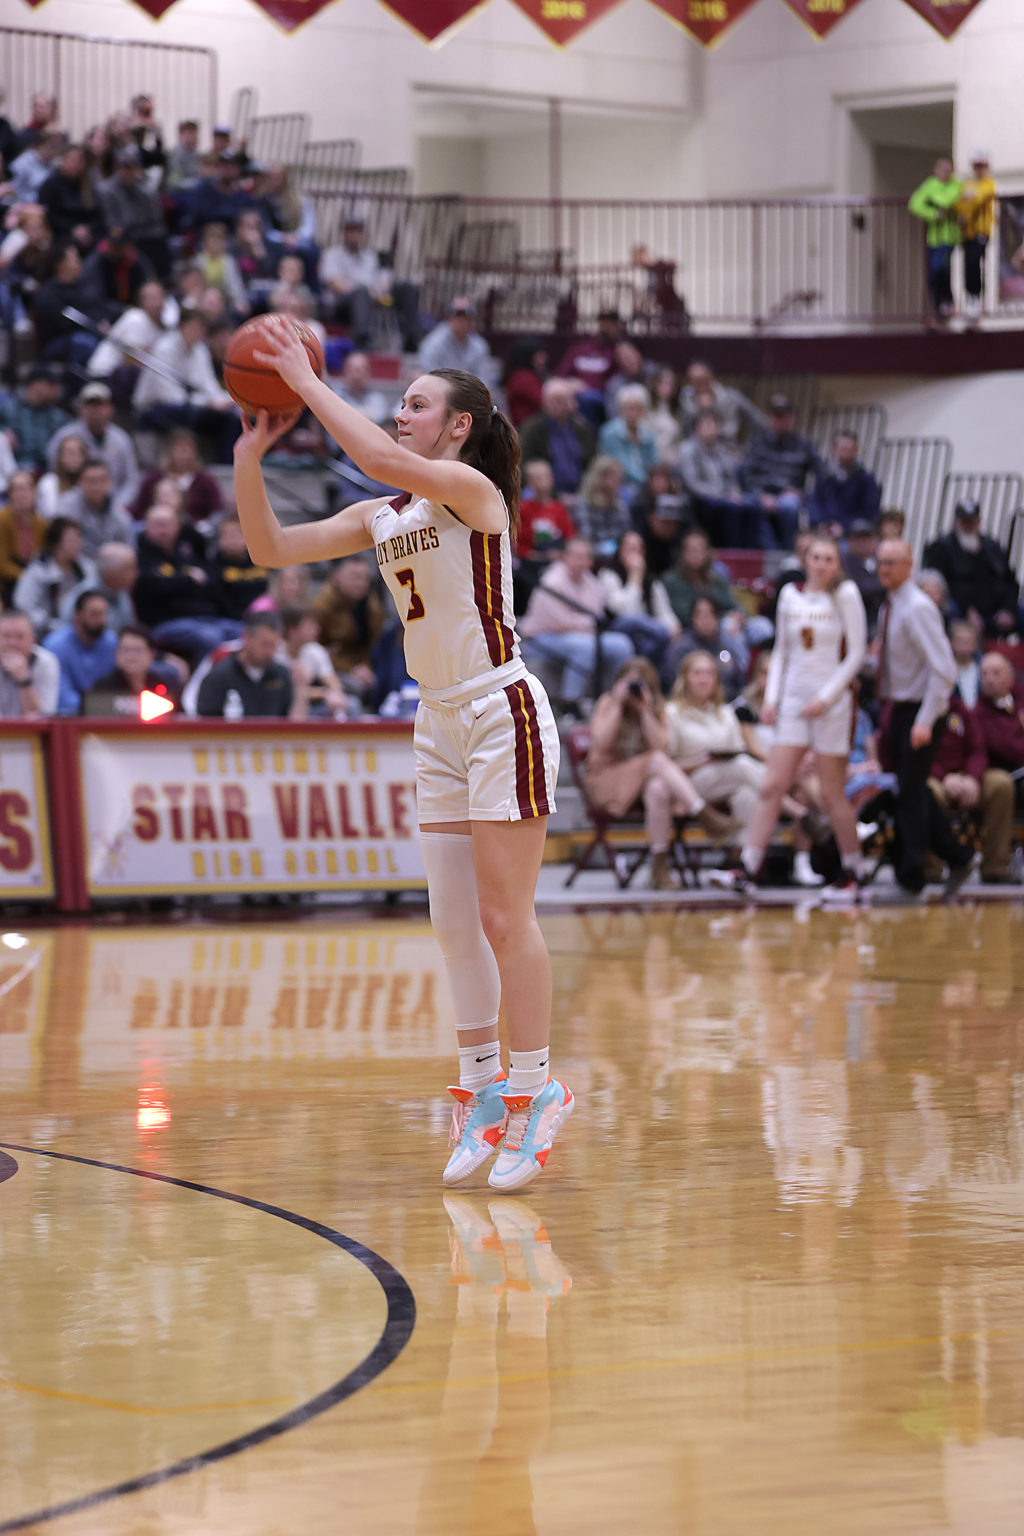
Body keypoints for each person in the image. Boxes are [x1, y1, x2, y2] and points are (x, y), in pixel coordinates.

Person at [233, 321, 572, 1190]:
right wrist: (249, 456)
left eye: (417, 405)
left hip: (499, 710)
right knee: (453, 923)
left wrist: (306, 382)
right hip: (437, 721)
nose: (401, 413)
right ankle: (482, 1091)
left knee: (505, 918)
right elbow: (271, 549)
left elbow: (380, 458)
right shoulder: (384, 517)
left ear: (458, 425)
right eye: (401, 404)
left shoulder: (471, 492)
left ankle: (538, 1089)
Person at [712, 536, 868, 899]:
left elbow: (857, 654)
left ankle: (854, 872)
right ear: (806, 559)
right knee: (772, 784)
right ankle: (748, 868)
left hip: (832, 704)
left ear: (837, 563)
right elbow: (781, 651)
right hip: (794, 703)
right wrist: (772, 698)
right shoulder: (789, 596)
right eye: (817, 557)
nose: (822, 564)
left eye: (829, 558)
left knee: (830, 792)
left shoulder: (845, 595)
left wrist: (826, 698)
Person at [875, 538, 975, 897]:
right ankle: (958, 856)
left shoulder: (917, 607)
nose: (884, 569)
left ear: (910, 564)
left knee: (910, 794)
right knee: (911, 789)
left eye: (892, 562)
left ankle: (912, 876)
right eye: (881, 562)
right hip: (900, 707)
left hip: (920, 711)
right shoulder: (891, 605)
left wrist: (925, 719)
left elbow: (944, 670)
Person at [584, 657, 721, 891]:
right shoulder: (608, 702)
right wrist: (618, 705)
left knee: (658, 788)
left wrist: (644, 711)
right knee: (655, 761)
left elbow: (660, 746)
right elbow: (601, 742)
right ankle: (703, 814)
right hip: (608, 779)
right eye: (629, 683)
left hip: (639, 782)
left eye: (640, 684)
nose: (633, 689)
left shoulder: (655, 707)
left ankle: (659, 866)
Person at [518, 537, 634, 715]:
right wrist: (586, 623)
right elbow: (559, 623)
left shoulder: (591, 582)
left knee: (621, 644)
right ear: (565, 557)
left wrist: (584, 623)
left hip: (578, 636)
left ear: (591, 561)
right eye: (576, 556)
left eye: (585, 557)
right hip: (540, 638)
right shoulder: (552, 580)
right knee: (585, 646)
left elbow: (597, 614)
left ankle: (614, 697)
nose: (581, 561)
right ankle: (569, 704)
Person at [666, 651, 768, 852]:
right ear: (685, 678)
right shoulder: (671, 712)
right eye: (697, 673)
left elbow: (738, 750)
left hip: (728, 776)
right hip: (688, 783)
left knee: (747, 794)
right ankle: (791, 805)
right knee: (742, 767)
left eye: (709, 674)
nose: (703, 679)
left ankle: (741, 860)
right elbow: (666, 765)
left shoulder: (725, 712)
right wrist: (703, 762)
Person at [923, 499, 1021, 639]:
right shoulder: (942, 547)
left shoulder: (992, 547)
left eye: (972, 521)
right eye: (965, 521)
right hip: (960, 608)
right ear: (956, 521)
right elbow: (938, 585)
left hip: (996, 609)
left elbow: (1010, 581)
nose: (968, 526)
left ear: (979, 522)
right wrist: (968, 610)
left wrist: (1007, 609)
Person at [739, 394, 821, 550]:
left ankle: (788, 550)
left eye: (784, 416)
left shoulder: (804, 445)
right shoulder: (757, 442)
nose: (780, 420)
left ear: (792, 418)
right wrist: (760, 495)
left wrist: (802, 493)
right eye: (776, 416)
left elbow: (822, 475)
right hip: (760, 494)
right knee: (749, 505)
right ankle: (772, 551)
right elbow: (746, 474)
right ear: (769, 417)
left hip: (789, 495)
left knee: (789, 505)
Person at [48, 381, 139, 502]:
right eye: (90, 405)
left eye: (100, 405)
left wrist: (118, 505)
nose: (95, 410)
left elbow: (131, 480)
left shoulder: (121, 439)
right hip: (72, 501)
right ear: (81, 408)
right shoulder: (65, 436)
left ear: (110, 408)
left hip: (113, 502)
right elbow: (54, 470)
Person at [196, 612, 293, 718]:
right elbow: (206, 720)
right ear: (246, 637)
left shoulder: (281, 674)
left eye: (275, 646)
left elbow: (290, 719)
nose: (270, 652)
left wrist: (301, 689)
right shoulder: (220, 676)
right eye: (265, 644)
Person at [12, 518, 97, 638]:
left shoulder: (86, 568)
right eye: (72, 540)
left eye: (79, 539)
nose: (79, 544)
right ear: (56, 544)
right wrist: (50, 624)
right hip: (44, 634)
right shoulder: (38, 571)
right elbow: (23, 605)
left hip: (83, 632)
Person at [42, 588, 119, 713]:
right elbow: (61, 697)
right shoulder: (56, 645)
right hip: (68, 717)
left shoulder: (112, 643)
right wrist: (97, 706)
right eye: (94, 614)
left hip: (108, 715)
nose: (101, 620)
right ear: (77, 615)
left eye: (104, 614)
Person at [517, 378, 595, 498]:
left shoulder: (582, 428)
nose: (559, 405)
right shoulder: (532, 429)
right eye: (555, 400)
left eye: (563, 400)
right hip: (545, 493)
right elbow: (526, 465)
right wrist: (556, 495)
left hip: (583, 493)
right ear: (544, 402)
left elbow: (592, 462)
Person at [908, 157, 963, 327]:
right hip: (934, 238)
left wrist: (933, 200)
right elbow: (915, 204)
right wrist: (934, 214)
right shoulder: (930, 184)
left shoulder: (956, 185)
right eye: (942, 170)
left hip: (949, 236)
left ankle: (945, 302)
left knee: (940, 267)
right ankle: (938, 306)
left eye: (948, 170)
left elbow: (946, 201)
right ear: (935, 170)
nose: (944, 173)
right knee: (934, 272)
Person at [83, 624, 180, 717]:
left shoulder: (165, 686)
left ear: (151, 654)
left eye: (137, 650)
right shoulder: (103, 688)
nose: (131, 656)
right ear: (117, 654)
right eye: (126, 650)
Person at [807, 431, 882, 537]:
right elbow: (814, 500)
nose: (846, 453)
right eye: (842, 448)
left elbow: (869, 511)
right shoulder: (824, 474)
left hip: (852, 532)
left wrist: (844, 526)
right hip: (823, 528)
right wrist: (820, 523)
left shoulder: (866, 478)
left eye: (850, 449)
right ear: (834, 449)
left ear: (856, 450)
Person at [56, 459, 134, 559]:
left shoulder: (120, 515)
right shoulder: (66, 508)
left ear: (109, 482)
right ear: (79, 482)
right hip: (76, 563)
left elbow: (129, 552)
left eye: (102, 480)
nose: (97, 486)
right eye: (91, 481)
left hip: (109, 565)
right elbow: (60, 547)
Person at [596, 384, 659, 507]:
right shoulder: (610, 432)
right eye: (629, 408)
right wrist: (647, 481)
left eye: (637, 408)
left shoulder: (647, 432)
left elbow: (656, 460)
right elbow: (620, 465)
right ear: (621, 409)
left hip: (646, 485)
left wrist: (655, 480)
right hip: (620, 485)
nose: (633, 413)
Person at [956, 151, 996, 323]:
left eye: (981, 166)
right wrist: (967, 203)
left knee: (975, 262)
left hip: (981, 231)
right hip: (968, 232)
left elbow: (978, 200)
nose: (979, 169)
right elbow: (959, 203)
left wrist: (968, 202)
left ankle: (977, 299)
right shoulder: (968, 184)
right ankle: (971, 298)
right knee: (968, 265)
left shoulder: (989, 183)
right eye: (976, 166)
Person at [0, 608, 60, 718]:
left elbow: (43, 717)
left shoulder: (46, 662)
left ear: (32, 640)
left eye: (20, 636)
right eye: (6, 636)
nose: (12, 643)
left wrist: (25, 681)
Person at [417, 297, 493, 382]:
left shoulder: (479, 346)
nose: (461, 323)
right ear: (449, 319)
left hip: (470, 389)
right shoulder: (434, 343)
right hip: (440, 387)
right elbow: (428, 376)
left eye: (465, 319)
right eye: (458, 318)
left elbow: (485, 378)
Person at [0, 470, 46, 603]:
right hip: (7, 583)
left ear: (35, 493)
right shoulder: (2, 520)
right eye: (17, 489)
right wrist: (27, 578)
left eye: (27, 488)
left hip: (34, 580)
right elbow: (2, 564)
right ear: (10, 494)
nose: (22, 494)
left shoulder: (42, 524)